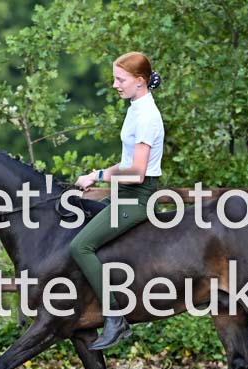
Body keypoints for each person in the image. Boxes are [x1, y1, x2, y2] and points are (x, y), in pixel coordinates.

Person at [70, 51, 164, 350]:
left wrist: (99, 175)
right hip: (123, 194)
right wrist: (94, 175)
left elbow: (136, 173)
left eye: (120, 80)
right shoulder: (136, 108)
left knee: (80, 246)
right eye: (115, 79)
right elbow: (126, 162)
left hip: (136, 198)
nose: (115, 85)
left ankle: (115, 317)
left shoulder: (147, 116)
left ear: (139, 81)